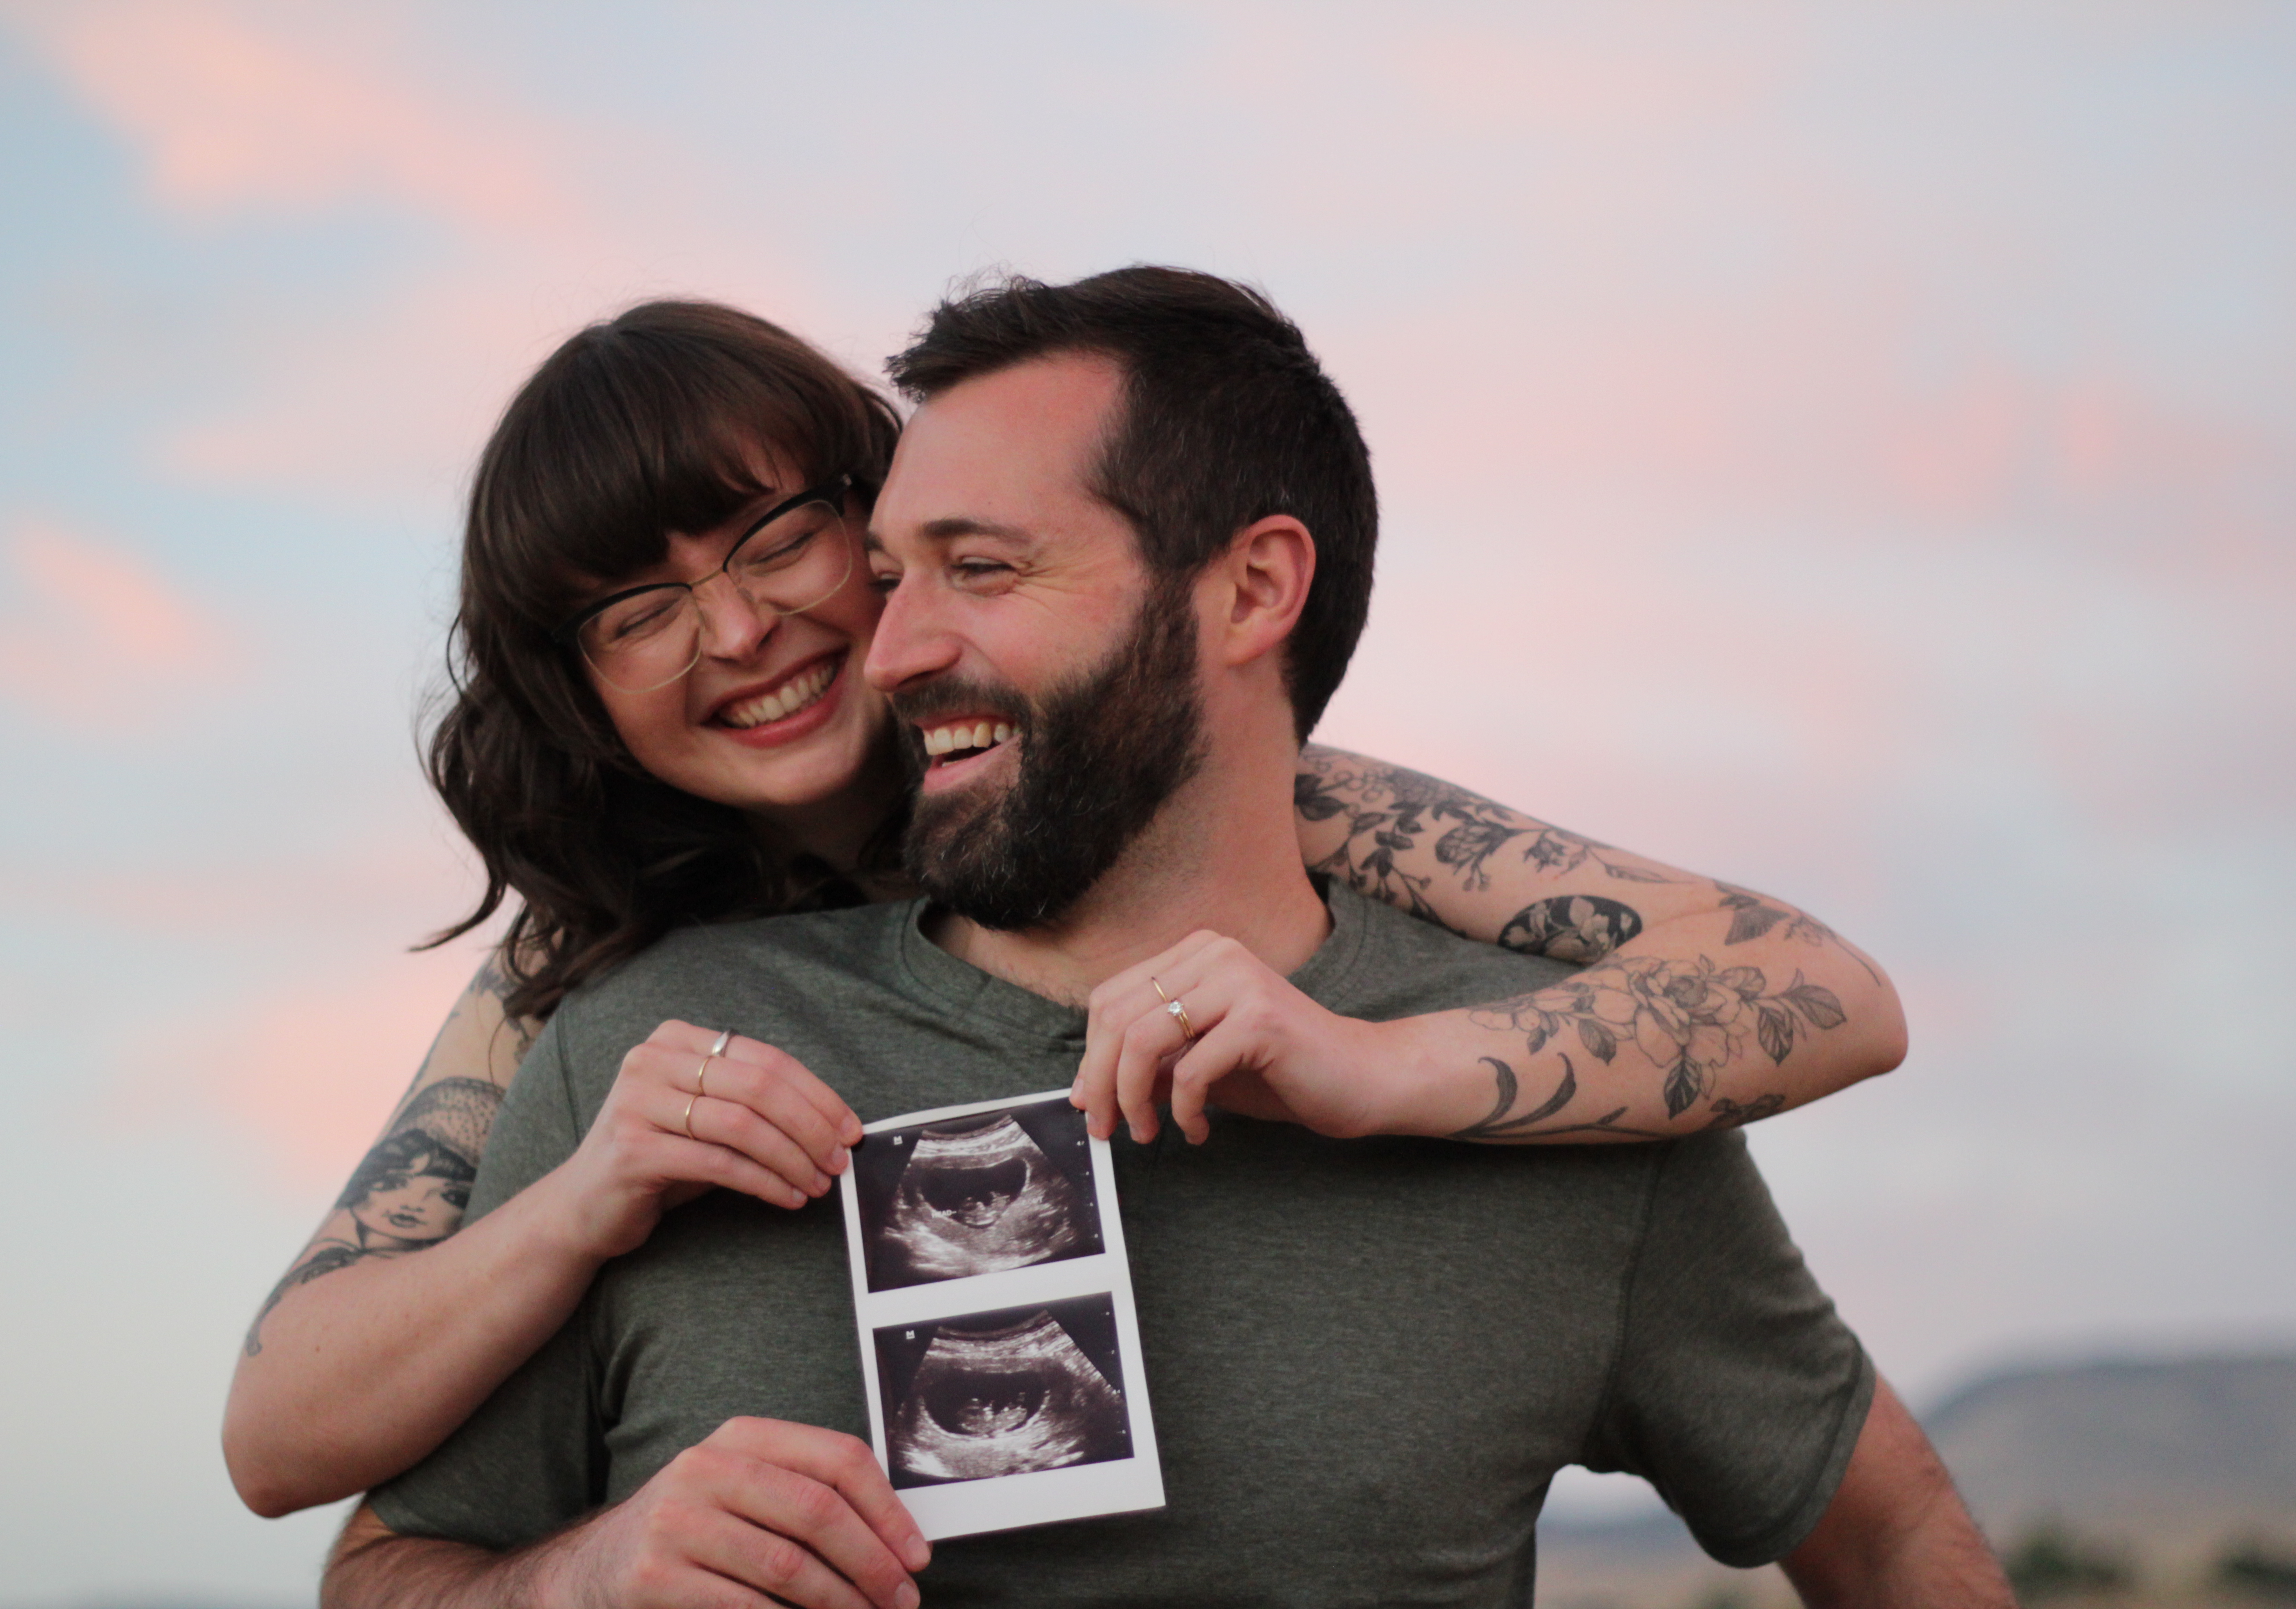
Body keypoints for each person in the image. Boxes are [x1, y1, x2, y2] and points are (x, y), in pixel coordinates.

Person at [319, 269, 2004, 1608]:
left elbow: (1887, 1517)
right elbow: (312, 1480)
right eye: (638, 610)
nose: (859, 642)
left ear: (1253, 591)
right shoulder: (627, 1032)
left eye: (964, 565)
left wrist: (1373, 1072)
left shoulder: (1569, 1093)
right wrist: (586, 1579)